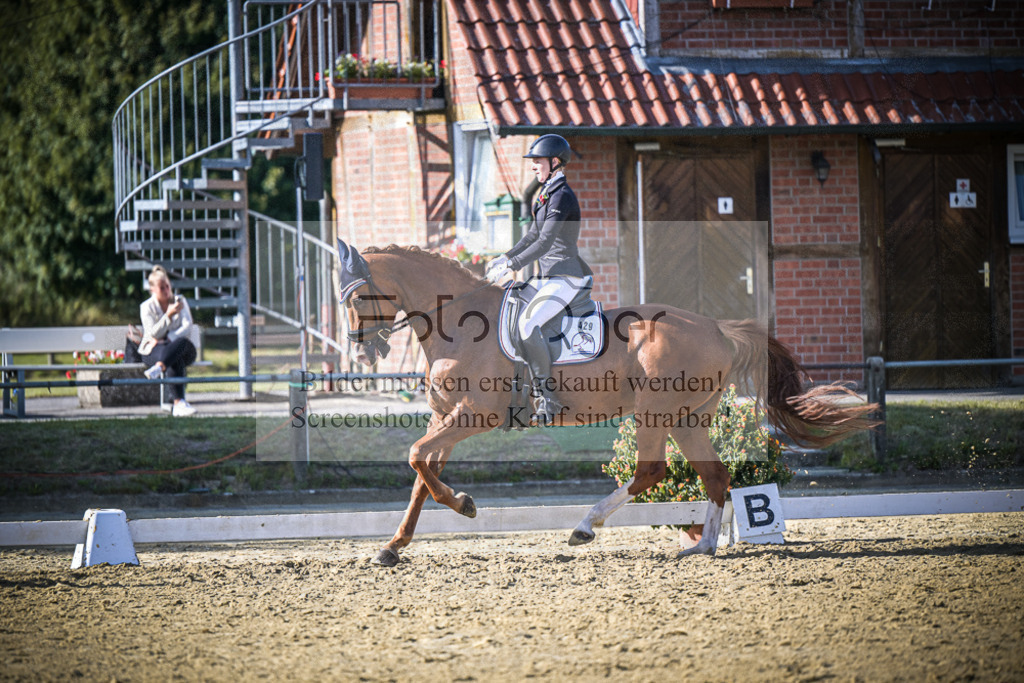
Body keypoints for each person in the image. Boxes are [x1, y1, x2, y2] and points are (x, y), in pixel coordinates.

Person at [486, 134, 592, 425]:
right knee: (510, 311)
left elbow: (545, 243)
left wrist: (513, 265)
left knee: (527, 324)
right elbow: (533, 235)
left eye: (538, 161)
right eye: (532, 161)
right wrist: (504, 257)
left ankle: (547, 398)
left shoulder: (562, 196)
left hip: (566, 276)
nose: (533, 166)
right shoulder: (546, 193)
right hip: (548, 277)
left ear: (554, 162)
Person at [139, 266, 198, 417]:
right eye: (162, 288)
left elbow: (187, 326)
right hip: (153, 350)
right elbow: (153, 333)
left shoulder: (180, 300)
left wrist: (169, 338)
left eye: (167, 286)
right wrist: (168, 315)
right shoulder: (146, 307)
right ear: (152, 290)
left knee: (179, 344)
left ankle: (159, 367)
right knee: (173, 356)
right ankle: (179, 404)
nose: (166, 290)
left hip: (179, 347)